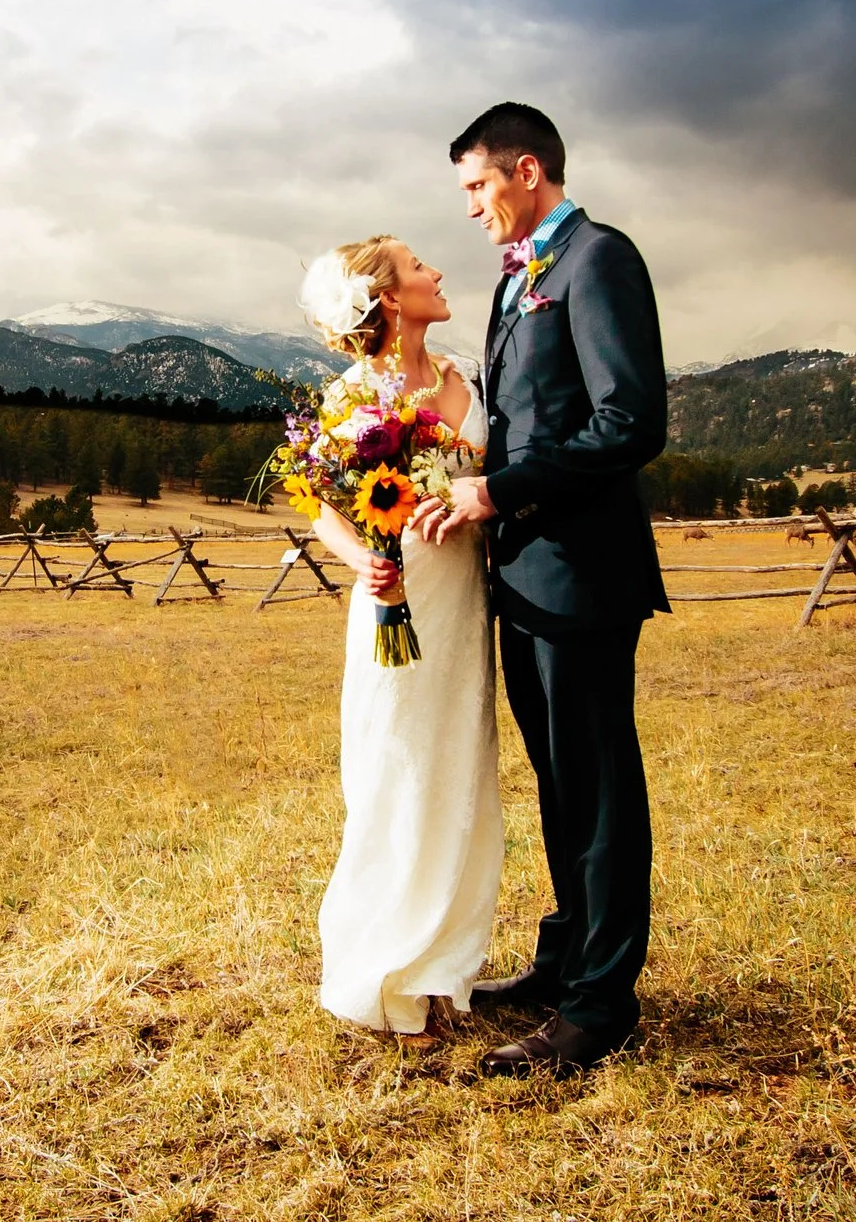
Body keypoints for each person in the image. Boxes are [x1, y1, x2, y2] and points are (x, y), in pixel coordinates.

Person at [415, 101, 669, 1077]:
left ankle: (600, 1005)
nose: (473, 207)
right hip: (521, 577)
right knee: (561, 787)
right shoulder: (517, 279)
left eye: (478, 185)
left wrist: (499, 490)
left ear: (526, 172)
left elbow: (629, 422)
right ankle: (566, 963)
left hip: (582, 576)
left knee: (598, 791)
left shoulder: (599, 260)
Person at [298, 235, 503, 1040]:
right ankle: (383, 965)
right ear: (387, 297)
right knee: (396, 770)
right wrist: (364, 567)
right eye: (419, 268)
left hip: (464, 605)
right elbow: (324, 508)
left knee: (459, 773)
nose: (437, 273)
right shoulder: (353, 396)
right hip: (400, 601)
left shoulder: (459, 377)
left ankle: (447, 967)